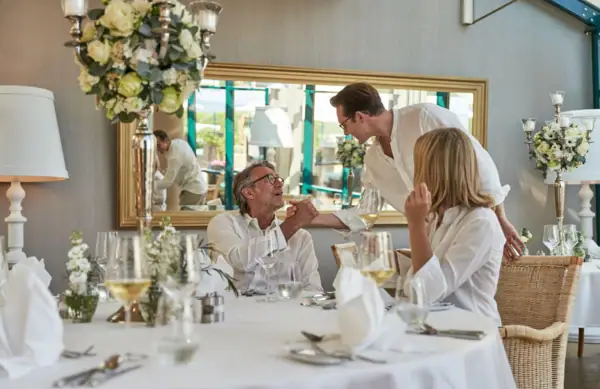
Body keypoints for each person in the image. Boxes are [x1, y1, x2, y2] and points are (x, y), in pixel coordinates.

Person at [288, 83, 522, 260]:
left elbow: (480, 165)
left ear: (360, 117)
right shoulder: (372, 159)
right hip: (432, 241)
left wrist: (500, 219)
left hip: (469, 229)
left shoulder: (425, 117)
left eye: (344, 125)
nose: (345, 133)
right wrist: (312, 217)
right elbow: (364, 214)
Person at [404, 127, 505, 324]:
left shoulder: (480, 222)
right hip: (436, 326)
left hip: (471, 333)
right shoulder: (435, 218)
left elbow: (428, 293)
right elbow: (413, 289)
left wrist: (415, 225)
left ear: (433, 170)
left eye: (419, 165)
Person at [207, 161, 323, 292]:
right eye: (270, 179)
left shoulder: (301, 237)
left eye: (279, 179)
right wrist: (292, 224)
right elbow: (239, 261)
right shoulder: (223, 223)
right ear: (249, 193)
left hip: (286, 310)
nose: (279, 183)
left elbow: (314, 290)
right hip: (237, 310)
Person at [154, 130, 208, 208]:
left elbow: (167, 182)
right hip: (200, 188)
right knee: (195, 219)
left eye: (158, 145)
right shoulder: (178, 143)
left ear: (166, 140)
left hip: (193, 191)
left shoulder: (174, 157)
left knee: (185, 219)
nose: (157, 149)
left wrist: (149, 186)